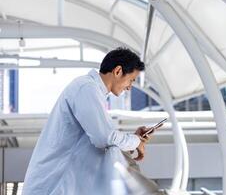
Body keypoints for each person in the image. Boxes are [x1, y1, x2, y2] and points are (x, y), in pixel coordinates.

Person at [22, 47, 150, 195]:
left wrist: (133, 138)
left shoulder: (92, 91)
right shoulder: (86, 88)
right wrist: (135, 141)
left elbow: (103, 137)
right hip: (51, 187)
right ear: (118, 71)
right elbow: (104, 137)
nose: (129, 87)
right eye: (131, 80)